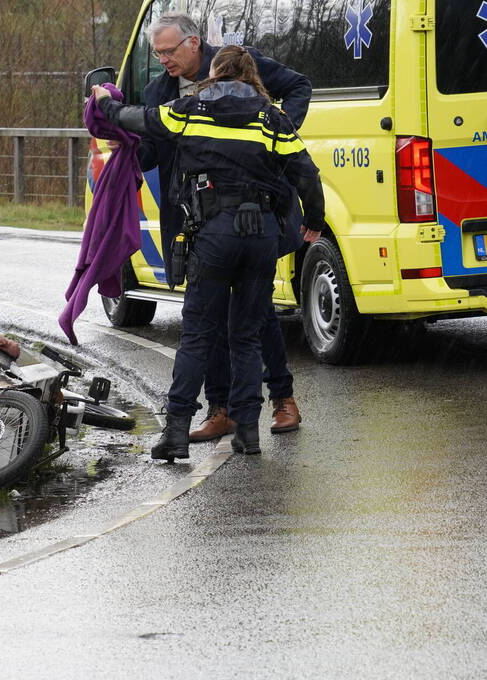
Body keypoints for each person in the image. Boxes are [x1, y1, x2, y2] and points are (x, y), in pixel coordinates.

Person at [91, 44, 325, 459]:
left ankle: (176, 433)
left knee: (198, 335)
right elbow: (306, 173)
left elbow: (136, 120)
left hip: (214, 233)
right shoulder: (273, 118)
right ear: (253, 77)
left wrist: (106, 102)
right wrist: (314, 222)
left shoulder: (189, 109)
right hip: (261, 237)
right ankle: (248, 435)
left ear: (215, 73)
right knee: (248, 337)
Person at [138, 13, 311, 440]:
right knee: (207, 318)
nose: (163, 60)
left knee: (257, 316)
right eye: (157, 53)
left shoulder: (237, 63)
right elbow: (151, 152)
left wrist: (273, 139)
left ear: (194, 43)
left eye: (169, 51)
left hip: (252, 214)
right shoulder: (158, 92)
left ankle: (283, 399)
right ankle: (221, 410)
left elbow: (298, 87)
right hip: (192, 214)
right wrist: (120, 149)